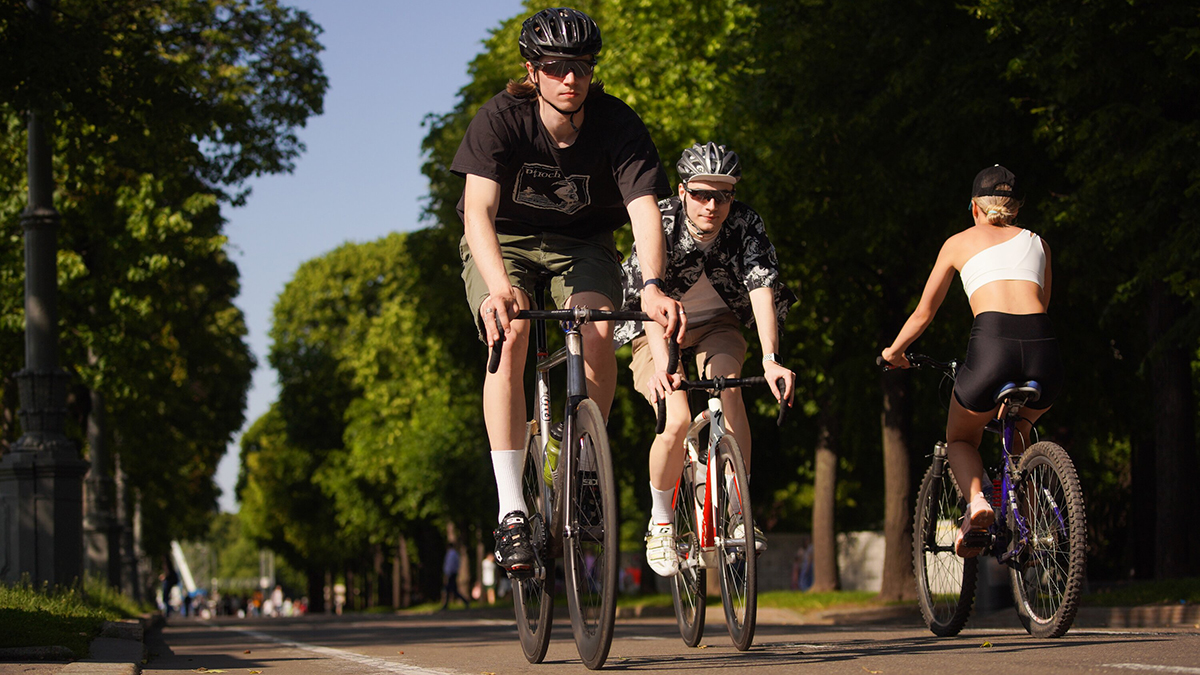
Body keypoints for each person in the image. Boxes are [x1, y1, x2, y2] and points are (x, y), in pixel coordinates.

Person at [452, 7, 683, 576]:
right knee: (512, 332)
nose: (570, 78)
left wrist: (652, 285)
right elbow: (476, 213)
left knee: (597, 325)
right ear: (533, 71)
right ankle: (511, 510)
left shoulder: (617, 123)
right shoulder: (500, 119)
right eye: (556, 67)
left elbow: (644, 211)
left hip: (583, 244)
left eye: (580, 65)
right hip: (502, 241)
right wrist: (500, 288)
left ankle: (582, 463)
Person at [613, 142, 797, 577]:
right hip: (656, 329)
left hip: (718, 324)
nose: (712, 205)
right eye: (701, 194)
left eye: (723, 195)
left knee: (727, 387)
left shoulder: (746, 224)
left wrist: (771, 358)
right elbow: (648, 300)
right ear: (682, 191)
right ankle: (660, 523)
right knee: (675, 419)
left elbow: (760, 287)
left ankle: (737, 511)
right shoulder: (659, 219)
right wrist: (664, 367)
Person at [881, 165, 1063, 558]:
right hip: (1043, 347)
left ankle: (977, 501)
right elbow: (1042, 306)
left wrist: (893, 352)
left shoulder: (958, 242)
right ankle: (1027, 525)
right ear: (1016, 208)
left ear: (975, 208)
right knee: (1023, 430)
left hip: (992, 345)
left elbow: (923, 314)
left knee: (961, 438)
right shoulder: (1039, 242)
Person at [441, 542, 470, 610]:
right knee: (451, 590)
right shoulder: (455, 553)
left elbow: (449, 565)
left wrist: (447, 573)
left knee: (450, 589)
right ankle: (446, 604)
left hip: (451, 573)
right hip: (453, 573)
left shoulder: (451, 554)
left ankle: (446, 605)